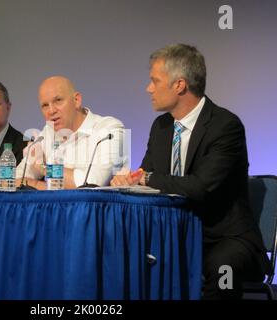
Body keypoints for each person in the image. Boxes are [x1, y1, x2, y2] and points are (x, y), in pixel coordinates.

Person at [110, 44, 270, 299]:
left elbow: (200, 187)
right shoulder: (161, 126)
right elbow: (147, 175)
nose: (148, 88)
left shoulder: (226, 126)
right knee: (122, 256)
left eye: (154, 81)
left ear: (180, 85)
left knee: (221, 269)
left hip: (224, 236)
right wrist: (130, 180)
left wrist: (147, 178)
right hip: (174, 231)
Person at [16, 75, 127, 189]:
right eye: (45, 105)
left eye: (58, 101)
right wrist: (48, 187)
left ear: (77, 100)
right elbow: (12, 181)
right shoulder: (47, 132)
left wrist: (44, 168)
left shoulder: (110, 129)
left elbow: (92, 183)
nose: (51, 111)